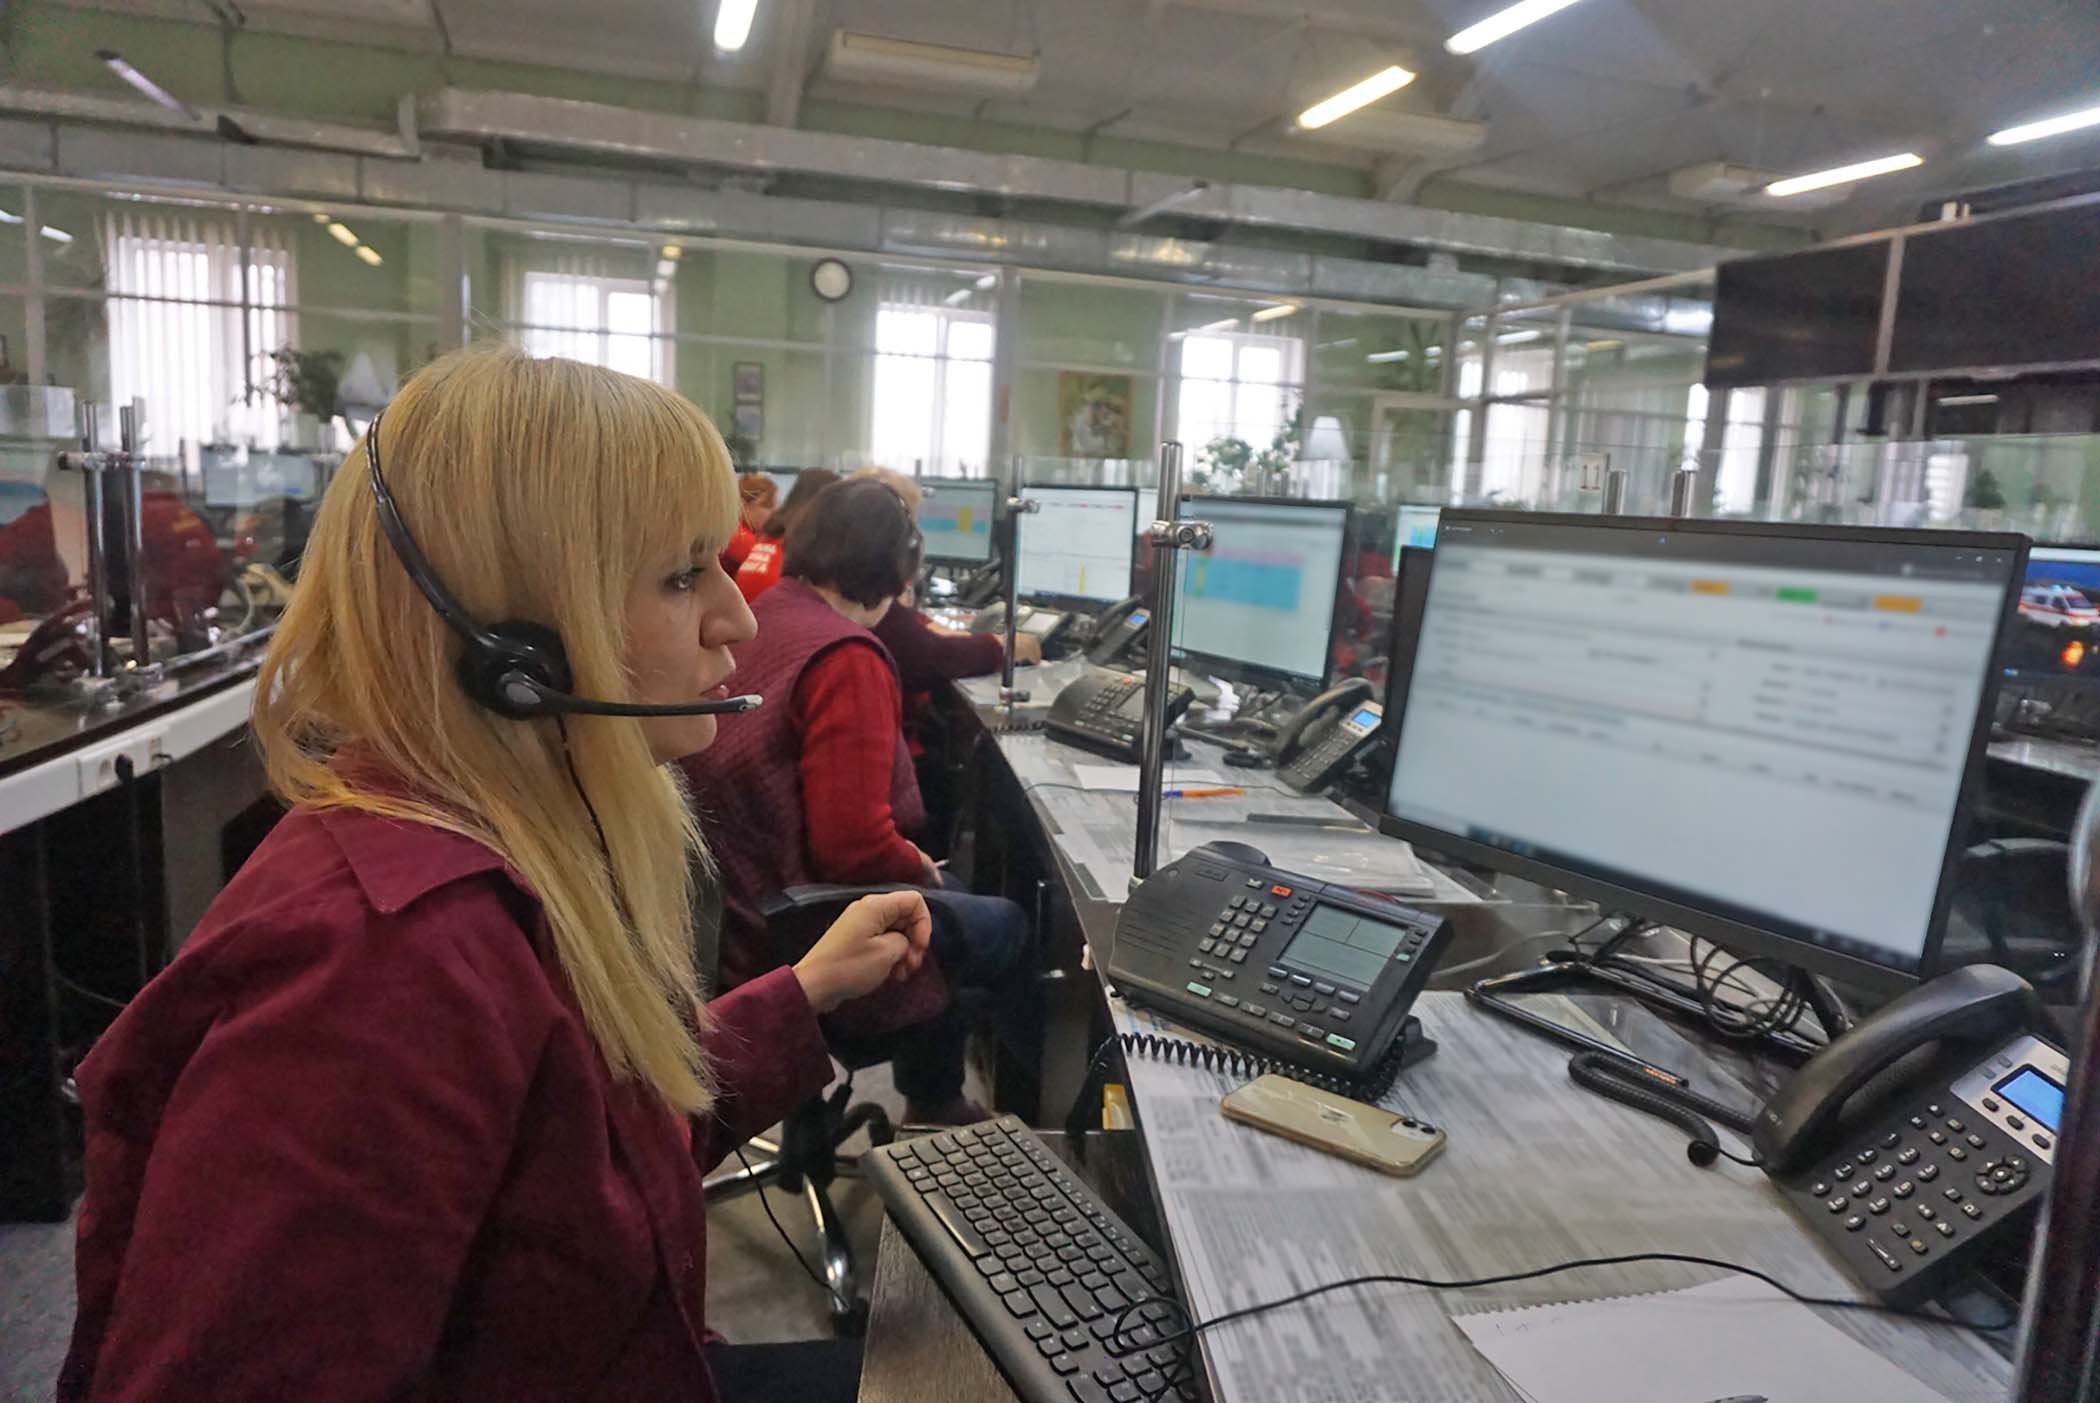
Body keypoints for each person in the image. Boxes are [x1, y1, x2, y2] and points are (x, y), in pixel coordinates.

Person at [57, 345, 929, 1403]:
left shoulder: (519, 849)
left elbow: (583, 1155)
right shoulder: (381, 974)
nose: (737, 618)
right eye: (678, 574)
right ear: (515, 649)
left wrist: (802, 994)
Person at [684, 476, 1038, 1127]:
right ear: (891, 573)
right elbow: (852, 845)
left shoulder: (771, 615)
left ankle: (934, 1093)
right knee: (1012, 923)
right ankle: (951, 1111)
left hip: (734, 924)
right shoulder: (848, 655)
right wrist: (919, 868)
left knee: (954, 894)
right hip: (803, 934)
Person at [851, 468, 1041, 692]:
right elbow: (931, 656)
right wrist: (1004, 648)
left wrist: (934, 628)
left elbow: (906, 630)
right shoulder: (867, 592)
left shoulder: (847, 580)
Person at [734, 467, 837, 604]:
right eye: (768, 506)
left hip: (750, 610)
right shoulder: (804, 536)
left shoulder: (773, 532)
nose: (774, 510)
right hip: (773, 608)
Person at [723, 472, 776, 573]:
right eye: (768, 506)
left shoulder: (740, 532)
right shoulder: (738, 535)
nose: (775, 512)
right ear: (744, 505)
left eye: (776, 506)